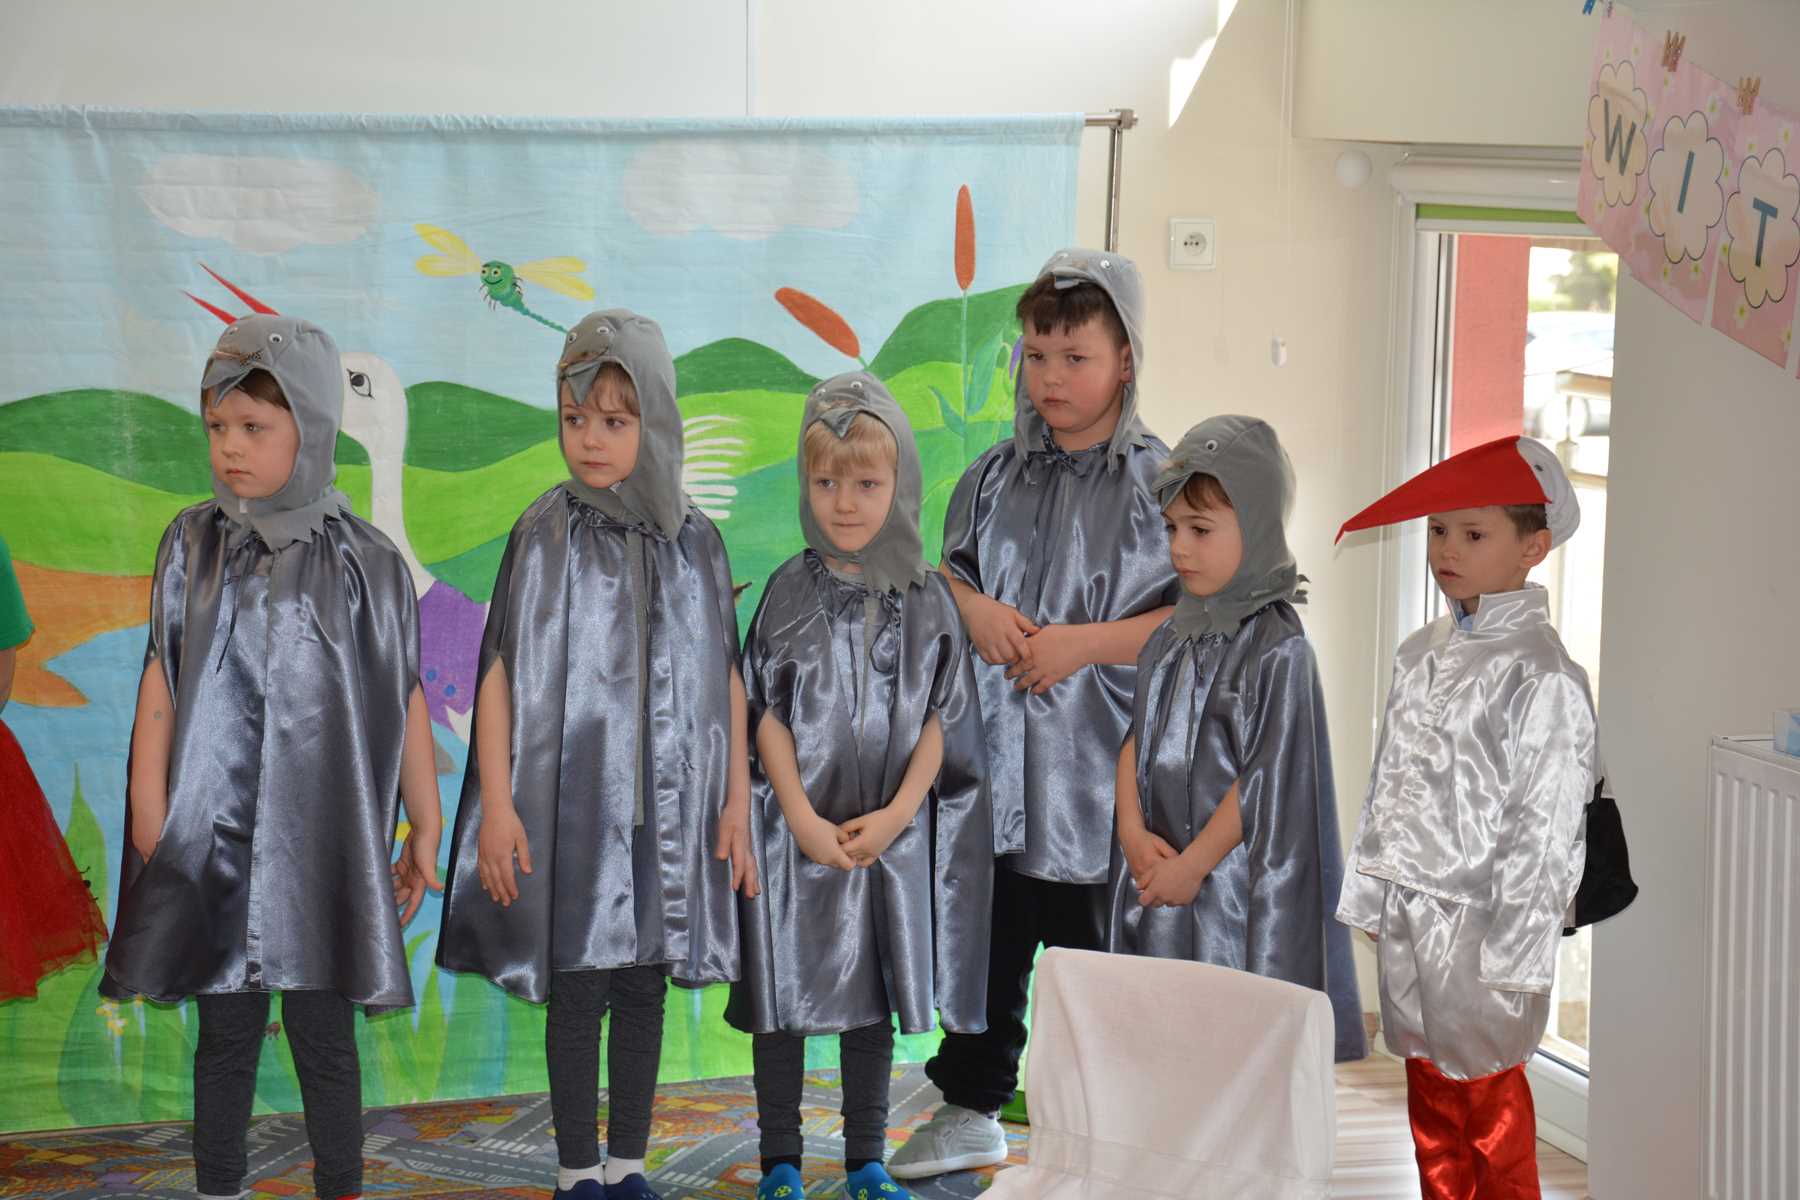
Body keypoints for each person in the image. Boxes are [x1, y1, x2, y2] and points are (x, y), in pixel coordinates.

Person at [103, 315, 443, 1200]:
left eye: (255, 427)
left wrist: (425, 821)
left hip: (322, 847)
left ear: (314, 426)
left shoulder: (367, 561)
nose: (230, 448)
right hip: (212, 842)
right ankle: (219, 1185)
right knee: (225, 1036)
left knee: (326, 1038)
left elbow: (403, 693)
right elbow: (161, 677)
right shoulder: (190, 544)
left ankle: (341, 1185)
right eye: (217, 427)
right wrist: (149, 811)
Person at [436, 310, 755, 1200]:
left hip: (667, 819)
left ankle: (628, 1165)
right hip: (573, 815)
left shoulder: (695, 540)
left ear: (657, 419)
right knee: (578, 990)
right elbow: (497, 672)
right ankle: (578, 1170)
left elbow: (726, 675)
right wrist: (498, 805)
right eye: (575, 418)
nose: (590, 439)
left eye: (615, 420)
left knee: (643, 990)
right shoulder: (545, 531)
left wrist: (736, 800)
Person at [889, 248, 1178, 1180]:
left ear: (1125, 360)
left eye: (1075, 357)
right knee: (990, 945)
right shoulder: (990, 479)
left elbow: (1196, 623)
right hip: (998, 774)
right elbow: (942, 583)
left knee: (1100, 964)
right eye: (1037, 356)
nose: (1051, 377)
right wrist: (969, 606)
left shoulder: (1165, 487)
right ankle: (972, 1106)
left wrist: (1081, 645)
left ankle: (1110, 1131)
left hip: (1103, 782)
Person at [727, 374, 992, 1200]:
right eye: (826, 482)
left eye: (867, 484)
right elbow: (765, 714)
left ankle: (866, 1158)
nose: (845, 503)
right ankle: (779, 1158)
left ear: (899, 483)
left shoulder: (928, 599)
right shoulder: (786, 590)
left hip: (886, 839)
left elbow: (944, 717)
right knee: (782, 998)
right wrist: (800, 817)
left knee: (871, 996)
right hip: (792, 834)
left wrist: (899, 816)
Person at [1335, 435, 1598, 1200]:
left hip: (1481, 926)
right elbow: (1388, 782)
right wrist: (1372, 896)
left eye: (1474, 533)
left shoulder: (1542, 675)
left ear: (1533, 548)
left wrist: (1516, 952)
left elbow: (1547, 832)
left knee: (1487, 1104)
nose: (1447, 549)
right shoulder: (1421, 651)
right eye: (1438, 530)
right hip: (1411, 911)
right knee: (1429, 1094)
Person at [1106, 415, 1364, 1062]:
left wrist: (1191, 868)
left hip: (1226, 886)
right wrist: (1132, 833)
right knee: (1164, 1045)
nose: (1179, 549)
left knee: (1228, 1045)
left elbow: (1267, 778)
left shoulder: (1277, 647)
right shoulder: (1170, 636)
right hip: (1159, 870)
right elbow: (1136, 738)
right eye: (1171, 529)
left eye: (1200, 530)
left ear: (1256, 525)